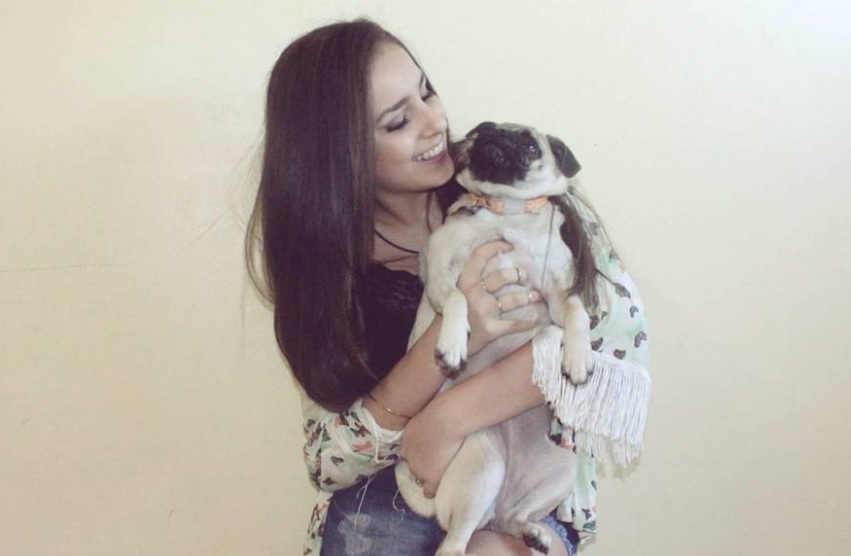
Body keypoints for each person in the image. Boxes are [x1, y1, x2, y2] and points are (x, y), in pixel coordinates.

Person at [245, 18, 649, 556]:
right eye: (398, 121)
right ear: (339, 153)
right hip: (386, 498)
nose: (434, 122)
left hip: (528, 492)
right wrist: (453, 338)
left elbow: (613, 353)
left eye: (427, 91)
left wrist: (443, 421)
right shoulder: (326, 269)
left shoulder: (524, 188)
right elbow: (328, 459)